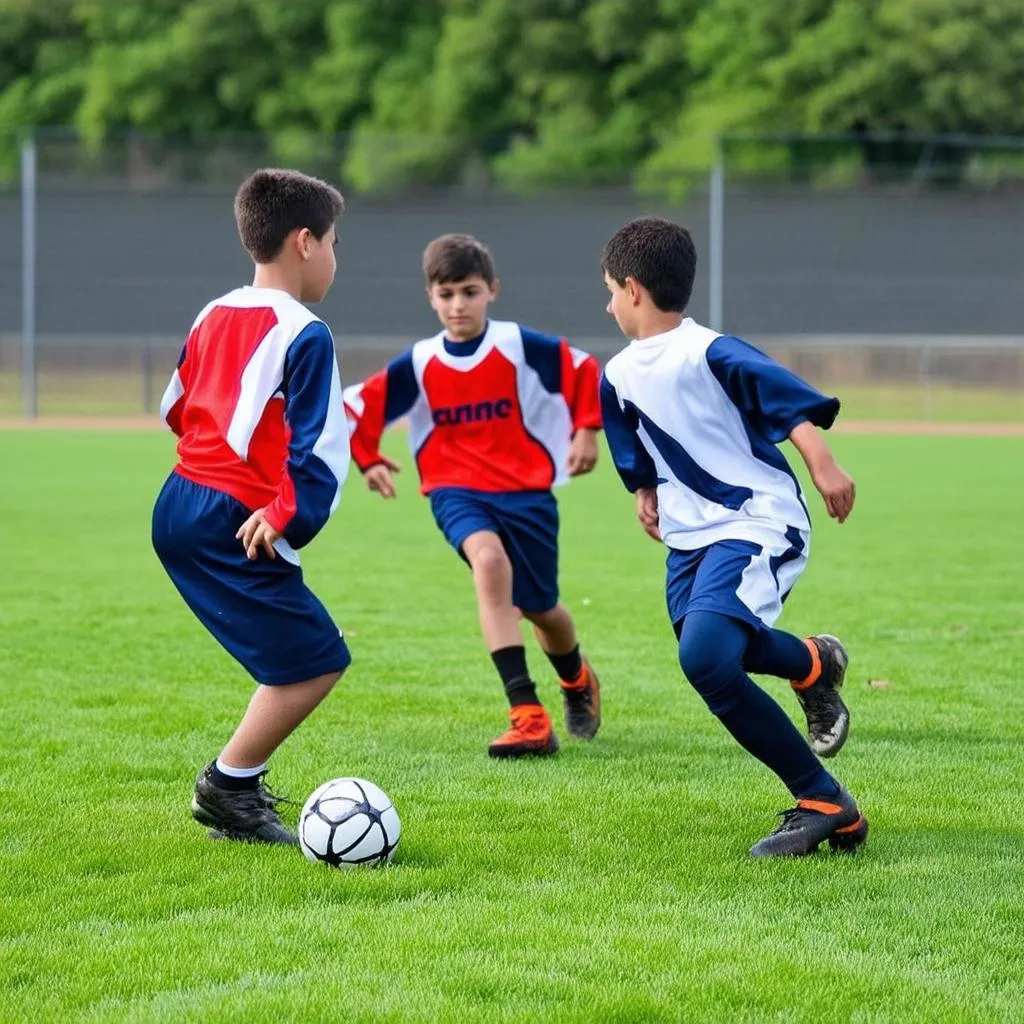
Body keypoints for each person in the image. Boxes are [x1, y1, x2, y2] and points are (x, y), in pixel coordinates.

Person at [598, 216, 867, 858]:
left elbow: (781, 401)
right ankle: (810, 662)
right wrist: (646, 493)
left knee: (706, 658)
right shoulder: (616, 375)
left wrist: (821, 461)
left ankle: (824, 799)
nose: (607, 303)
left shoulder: (708, 350)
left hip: (756, 521)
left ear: (633, 289)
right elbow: (635, 446)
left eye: (609, 289)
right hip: (690, 540)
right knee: (720, 650)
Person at [344, 233, 602, 758]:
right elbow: (360, 403)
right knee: (487, 561)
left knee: (541, 609)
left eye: (469, 291)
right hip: (454, 490)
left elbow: (582, 370)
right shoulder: (419, 362)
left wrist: (586, 429)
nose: (457, 305)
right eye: (446, 294)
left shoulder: (518, 345)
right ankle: (526, 712)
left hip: (527, 495)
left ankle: (576, 679)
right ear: (430, 298)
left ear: (492, 291)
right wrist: (367, 458)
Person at [152, 168, 350, 844]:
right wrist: (286, 512)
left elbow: (175, 407)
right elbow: (317, 448)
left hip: (179, 500)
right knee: (314, 659)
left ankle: (233, 784)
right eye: (332, 241)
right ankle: (228, 787)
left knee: (296, 654)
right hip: (230, 517)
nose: (334, 256)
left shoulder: (214, 312)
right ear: (304, 242)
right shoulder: (306, 332)